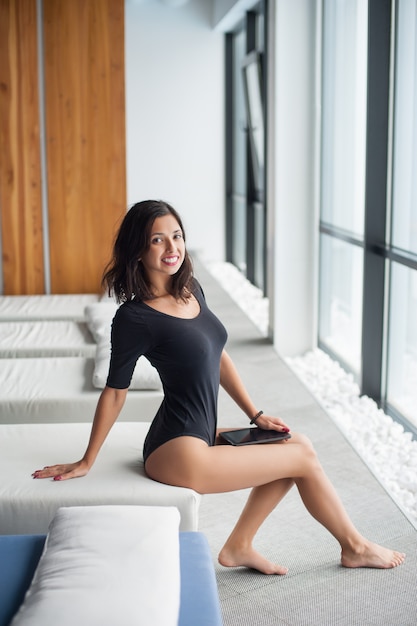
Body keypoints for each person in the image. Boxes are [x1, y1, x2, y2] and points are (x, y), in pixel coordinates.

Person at [33, 200, 405, 574]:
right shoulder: (134, 318)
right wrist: (87, 460)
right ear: (138, 250)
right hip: (175, 448)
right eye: (157, 240)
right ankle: (354, 546)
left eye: (176, 236)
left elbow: (218, 354)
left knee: (297, 444)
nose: (172, 248)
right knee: (302, 459)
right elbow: (115, 391)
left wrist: (255, 415)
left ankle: (240, 545)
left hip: (201, 431)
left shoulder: (190, 288)